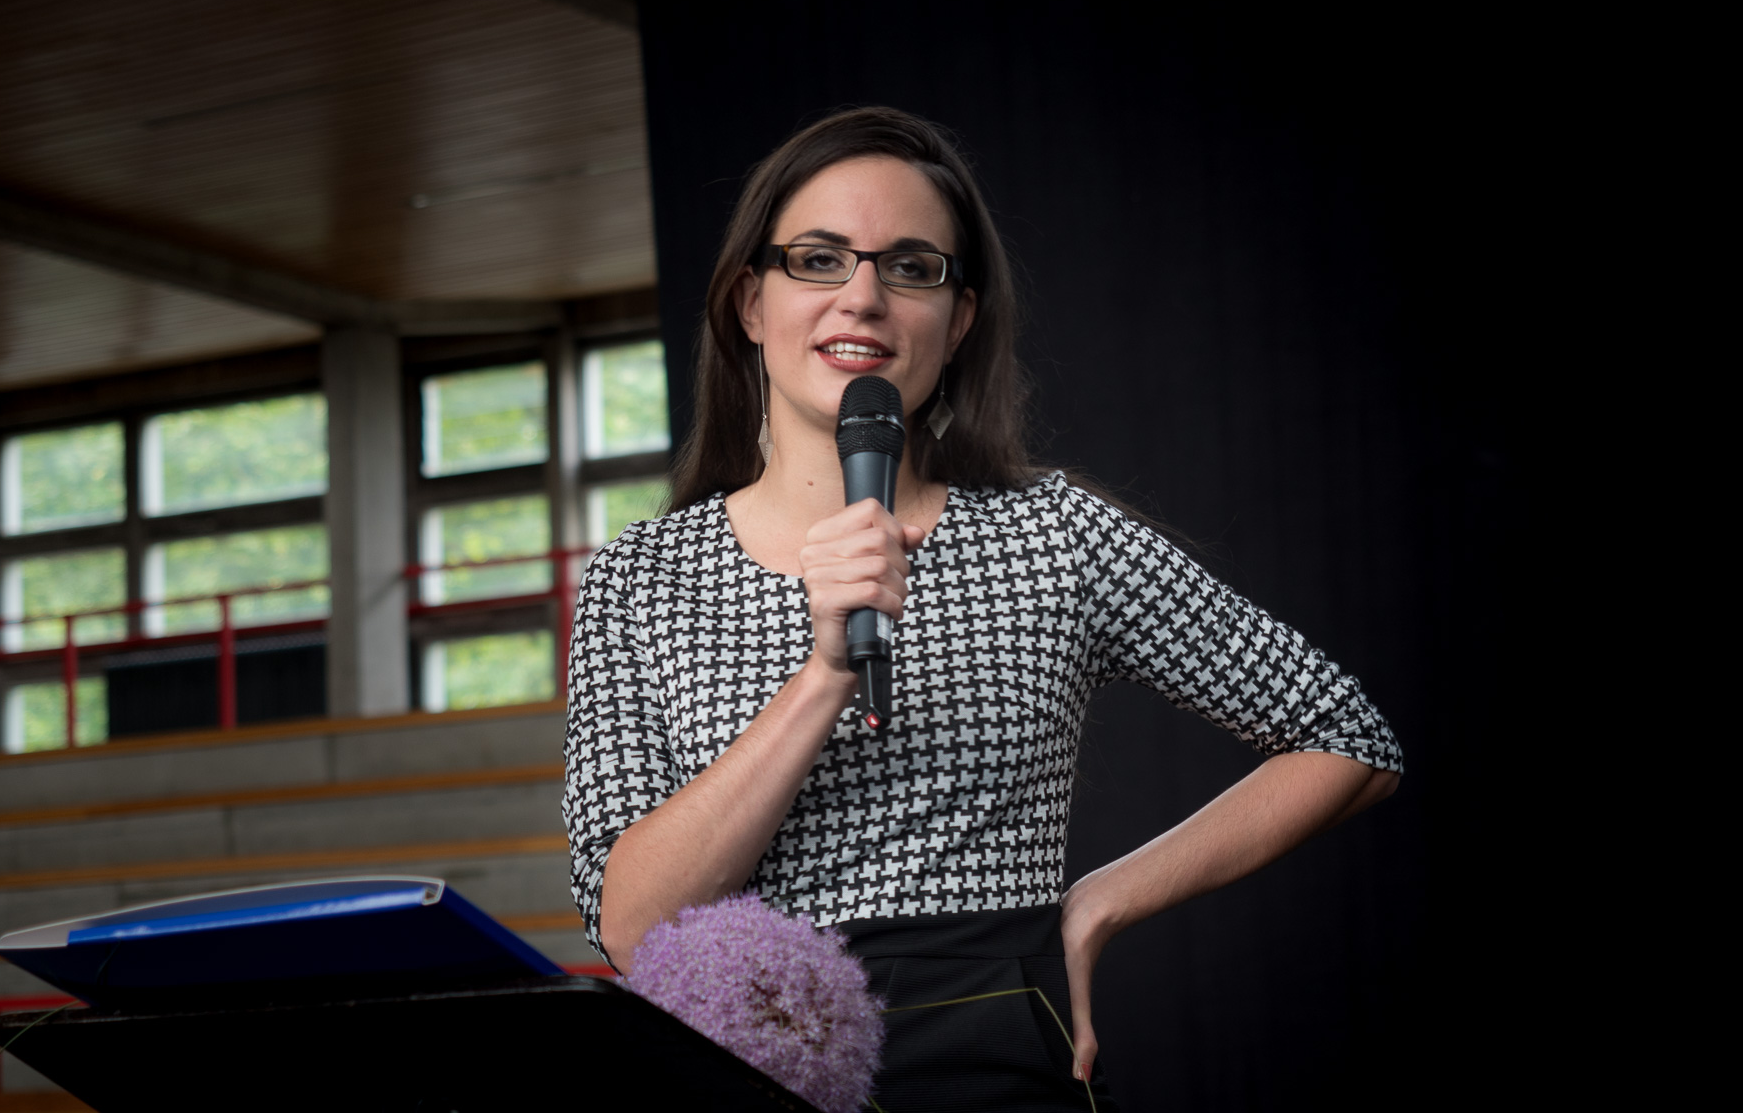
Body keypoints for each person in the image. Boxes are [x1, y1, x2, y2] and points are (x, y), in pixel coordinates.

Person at [562, 107, 1402, 1111]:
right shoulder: (642, 577)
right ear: (750, 301)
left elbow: (1348, 739)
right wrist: (824, 674)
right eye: (819, 260)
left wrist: (1096, 904)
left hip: (1003, 1066)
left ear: (958, 320)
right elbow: (632, 927)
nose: (862, 298)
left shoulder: (1053, 534)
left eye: (910, 268)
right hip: (750, 1077)